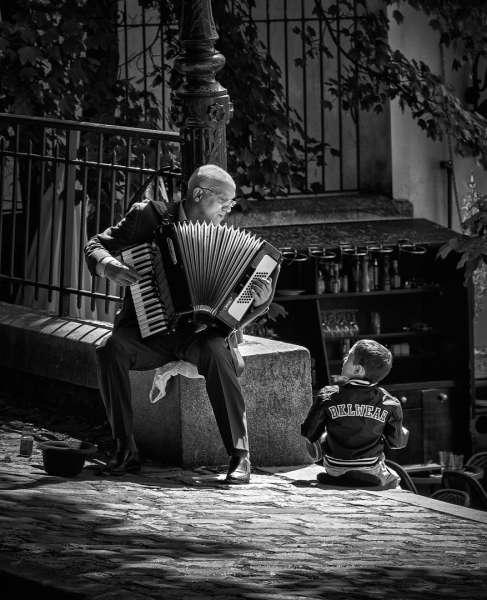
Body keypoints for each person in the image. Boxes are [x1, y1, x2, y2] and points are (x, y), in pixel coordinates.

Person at [84, 164, 278, 483]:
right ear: (199, 194)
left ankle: (240, 455)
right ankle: (124, 450)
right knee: (110, 349)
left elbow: (236, 310)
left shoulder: (223, 239)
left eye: (231, 204)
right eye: (224, 202)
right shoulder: (148, 217)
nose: (228, 211)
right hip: (150, 332)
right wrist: (109, 266)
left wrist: (258, 300)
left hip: (198, 337)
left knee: (217, 353)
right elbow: (95, 245)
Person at [301, 339, 409, 489]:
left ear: (358, 370)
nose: (344, 359)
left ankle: (337, 475)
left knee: (324, 435)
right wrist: (402, 432)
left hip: (333, 466)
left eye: (348, 357)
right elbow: (396, 443)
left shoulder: (327, 395)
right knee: (396, 479)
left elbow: (308, 433)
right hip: (371, 468)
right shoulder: (389, 402)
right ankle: (364, 477)